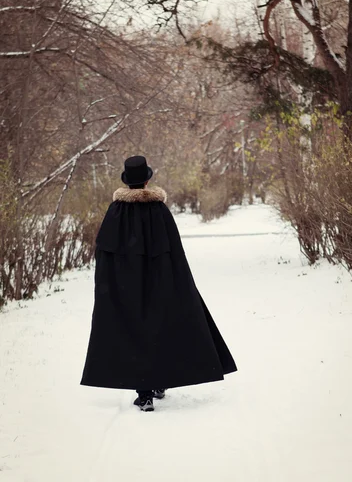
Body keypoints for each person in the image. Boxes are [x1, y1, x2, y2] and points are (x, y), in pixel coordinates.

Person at [81, 155, 237, 412]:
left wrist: (109, 284)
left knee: (132, 329)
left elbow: (104, 253)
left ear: (127, 182)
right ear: (147, 180)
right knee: (160, 325)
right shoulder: (158, 210)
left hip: (124, 284)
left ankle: (144, 394)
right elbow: (175, 252)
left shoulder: (115, 211)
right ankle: (159, 382)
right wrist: (179, 284)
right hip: (160, 280)